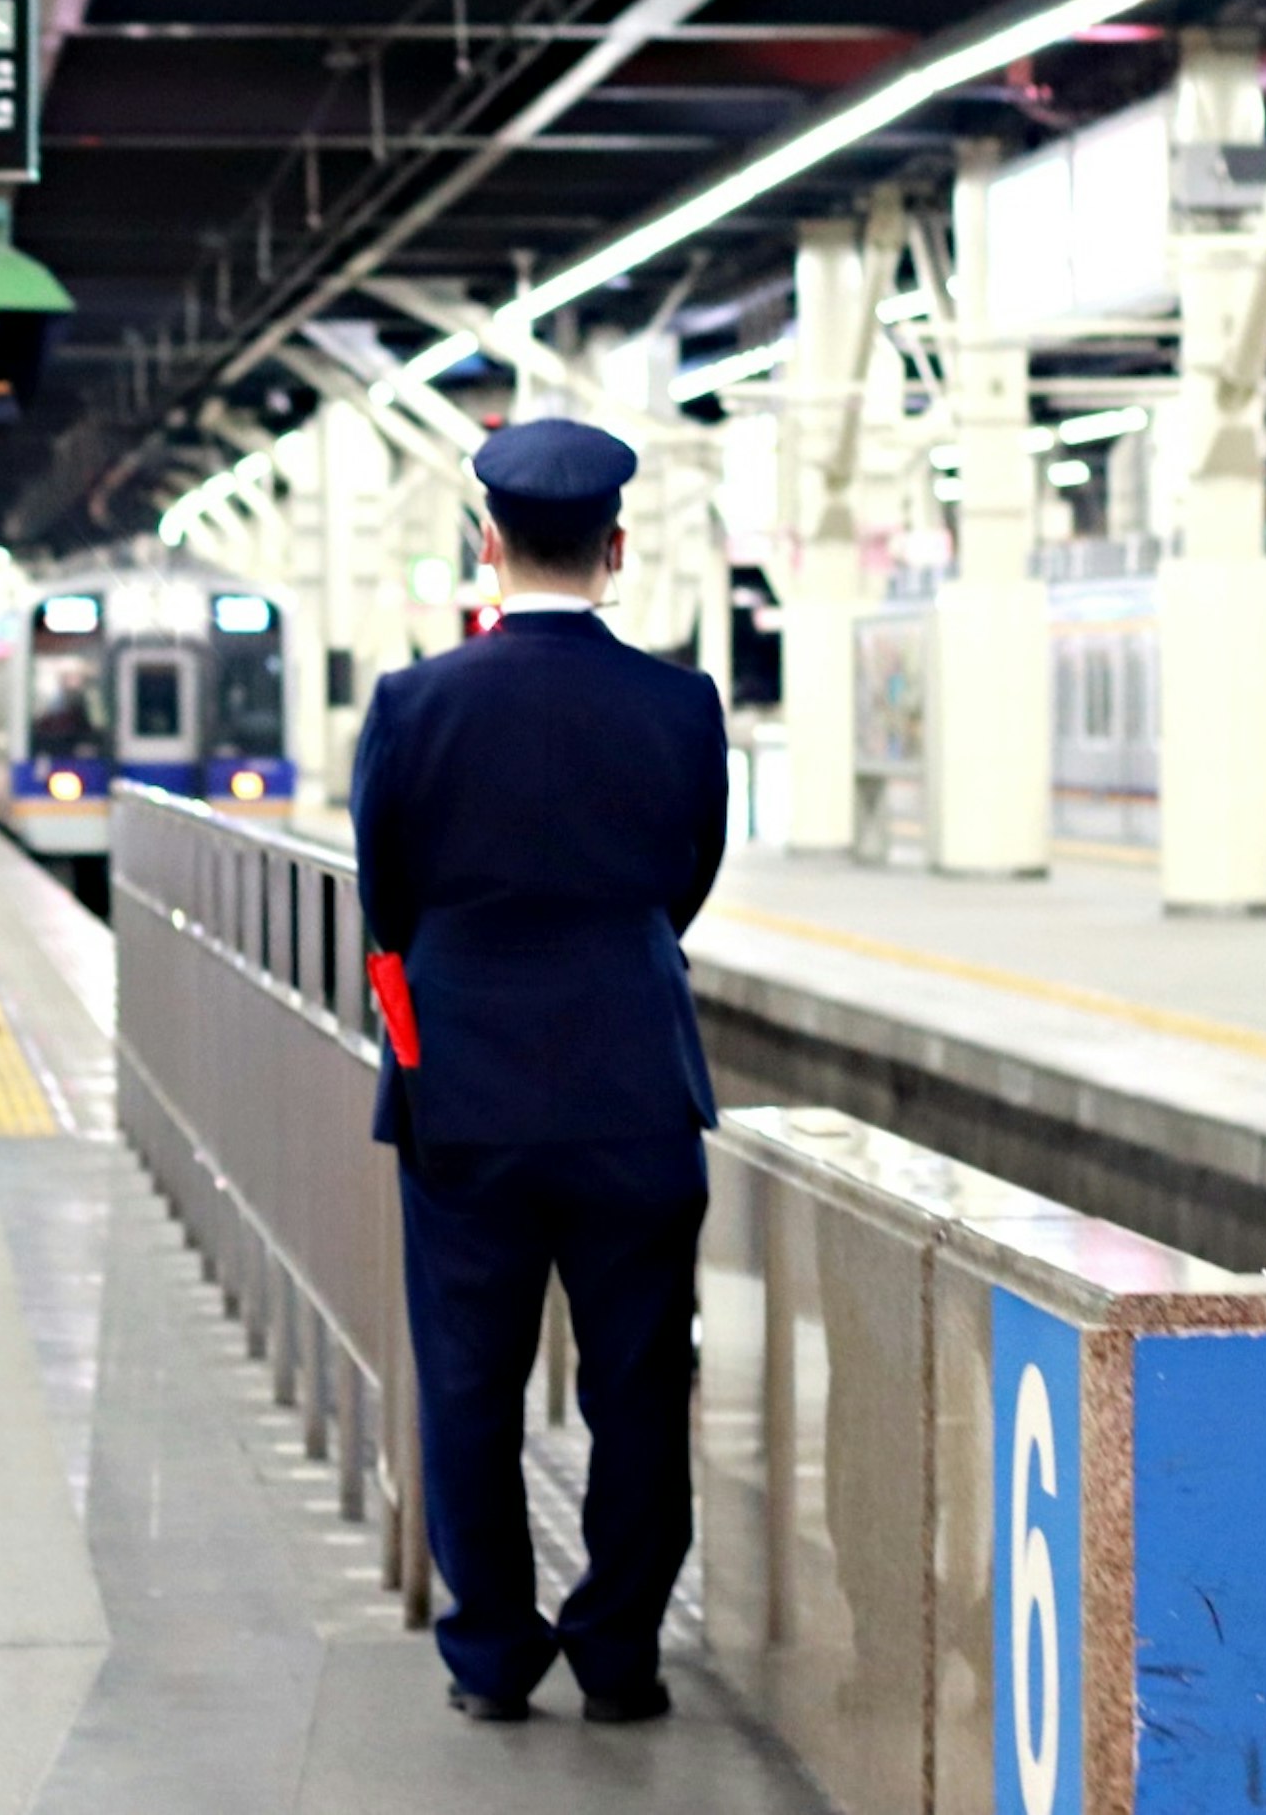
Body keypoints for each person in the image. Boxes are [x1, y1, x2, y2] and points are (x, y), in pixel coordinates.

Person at [350, 420, 727, 1727]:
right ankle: (619, 1652)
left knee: (469, 1376)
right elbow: (688, 882)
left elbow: (384, 899)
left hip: (462, 1089)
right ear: (617, 550)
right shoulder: (684, 705)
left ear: (488, 545)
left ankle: (493, 1653)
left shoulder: (413, 703)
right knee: (636, 1378)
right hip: (636, 1086)